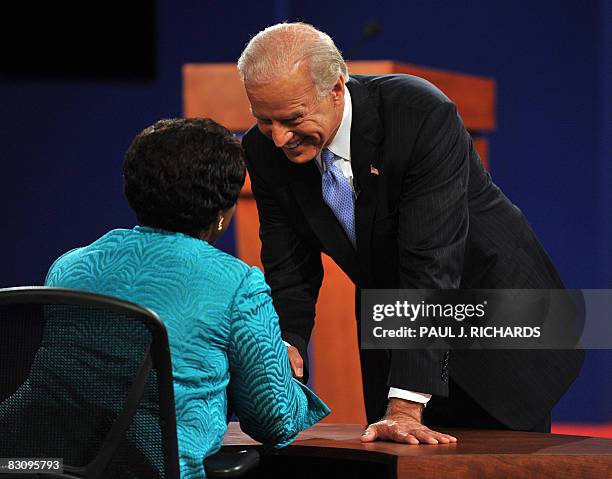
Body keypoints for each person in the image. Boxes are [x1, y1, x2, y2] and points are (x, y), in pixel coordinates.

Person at [237, 22, 584, 444]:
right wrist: (287, 344)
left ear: (335, 88)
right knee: (402, 460)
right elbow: (289, 265)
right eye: (263, 120)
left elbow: (431, 263)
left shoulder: (417, 114)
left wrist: (404, 405)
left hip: (491, 304)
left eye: (292, 119)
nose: (278, 139)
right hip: (397, 315)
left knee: (497, 460)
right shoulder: (263, 151)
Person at [42, 118, 330, 477]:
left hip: (44, 466)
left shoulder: (68, 268)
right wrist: (280, 369)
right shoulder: (235, 284)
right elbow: (276, 419)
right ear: (224, 212)